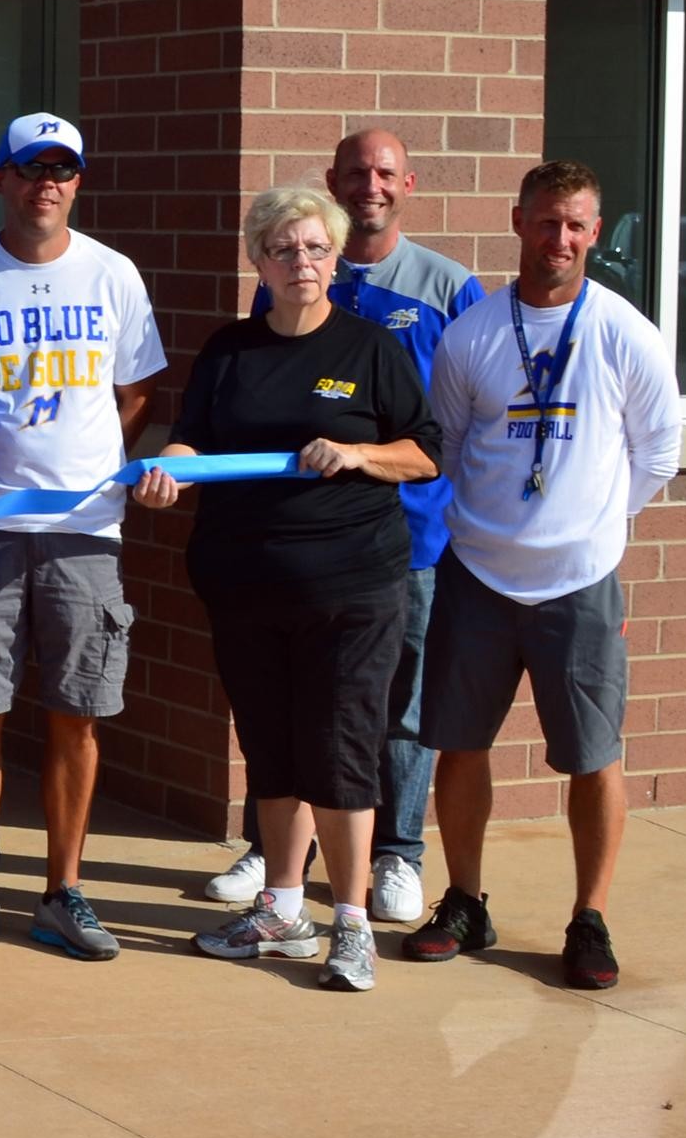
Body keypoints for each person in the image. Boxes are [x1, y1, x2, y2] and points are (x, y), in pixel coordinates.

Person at [137, 187, 442, 994]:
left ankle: (349, 923)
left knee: (338, 750)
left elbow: (426, 453)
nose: (299, 263)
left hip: (352, 588)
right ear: (257, 262)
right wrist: (171, 474)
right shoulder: (229, 351)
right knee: (270, 750)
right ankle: (281, 907)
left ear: (335, 257)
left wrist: (361, 455)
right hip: (244, 584)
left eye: (313, 248)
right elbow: (194, 440)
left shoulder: (372, 350)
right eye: (282, 249)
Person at [407, 159, 680, 989]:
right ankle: (463, 899)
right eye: (545, 220)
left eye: (576, 224)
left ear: (594, 233)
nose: (558, 238)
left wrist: (588, 526)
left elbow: (659, 453)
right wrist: (503, 528)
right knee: (459, 745)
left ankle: (588, 918)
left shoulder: (625, 331)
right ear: (517, 220)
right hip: (478, 575)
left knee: (594, 757)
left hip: (581, 583)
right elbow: (447, 449)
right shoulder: (474, 334)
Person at [201, 128, 482, 928]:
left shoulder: (447, 287)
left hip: (405, 538)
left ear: (409, 184)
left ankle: (397, 854)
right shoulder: (273, 300)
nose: (372, 186)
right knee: (295, 717)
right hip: (282, 551)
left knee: (388, 710)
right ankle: (280, 867)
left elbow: (450, 425)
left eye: (386, 174)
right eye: (356, 173)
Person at [0, 112, 166, 961]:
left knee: (76, 713)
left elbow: (134, 393)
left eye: (62, 170)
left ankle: (64, 890)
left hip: (84, 533)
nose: (46, 184)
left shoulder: (113, 274)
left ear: (77, 181)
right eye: (31, 169)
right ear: (0, 180)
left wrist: (82, 471)